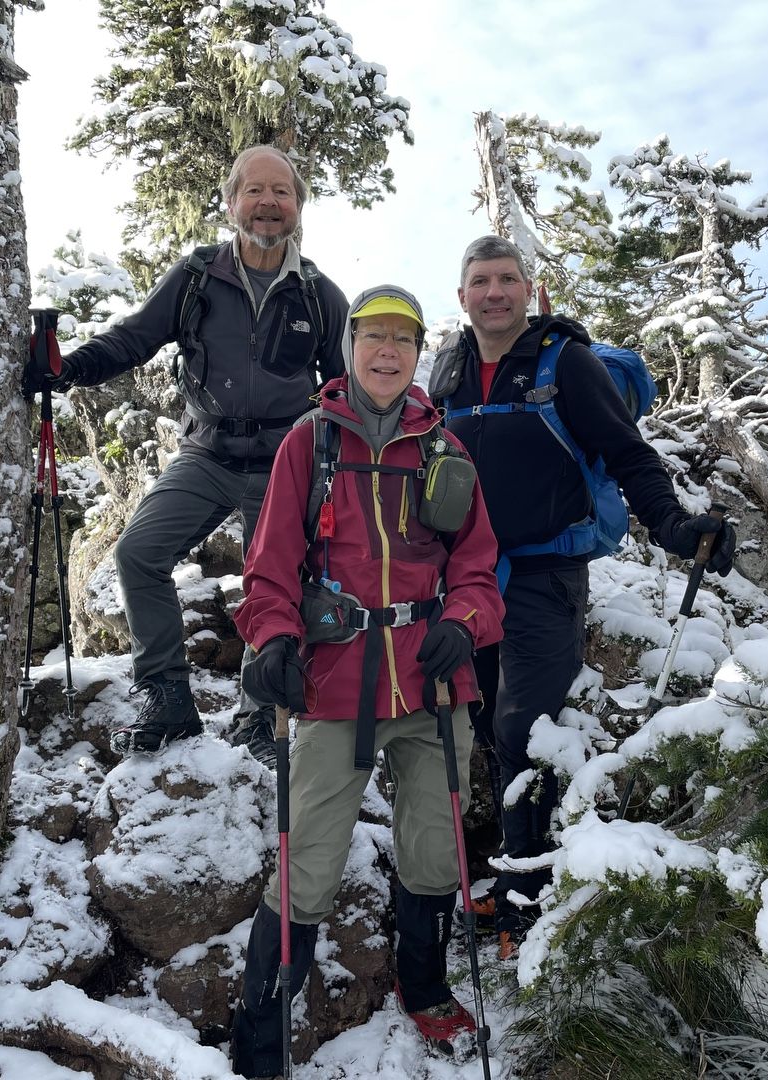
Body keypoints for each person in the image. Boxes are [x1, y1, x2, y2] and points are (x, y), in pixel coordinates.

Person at [428, 235, 736, 958]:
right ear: (463, 294)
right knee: (487, 727)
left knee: (522, 730)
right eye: (480, 281)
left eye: (507, 279)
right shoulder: (449, 371)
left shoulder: (565, 361)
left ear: (530, 291)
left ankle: (525, 898)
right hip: (468, 583)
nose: (493, 292)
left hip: (543, 578)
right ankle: (517, 868)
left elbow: (628, 454)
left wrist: (673, 524)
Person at [228, 285, 506, 1077]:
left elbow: (478, 569)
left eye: (404, 340)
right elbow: (268, 570)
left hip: (432, 684)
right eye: (374, 336)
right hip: (333, 683)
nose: (388, 352)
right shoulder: (308, 444)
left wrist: (463, 623)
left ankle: (424, 988)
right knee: (306, 864)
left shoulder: (444, 452)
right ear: (349, 347)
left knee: (433, 853)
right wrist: (274, 638)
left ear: (419, 355)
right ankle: (260, 1039)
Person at [22, 145, 348, 767]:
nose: (269, 203)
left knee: (272, 580)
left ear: (299, 208)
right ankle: (167, 693)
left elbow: (340, 388)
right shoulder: (197, 277)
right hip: (207, 452)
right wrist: (67, 370)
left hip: (284, 459)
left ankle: (258, 715)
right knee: (139, 552)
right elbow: (136, 339)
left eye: (282, 193)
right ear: (231, 204)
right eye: (255, 190)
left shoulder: (319, 296)